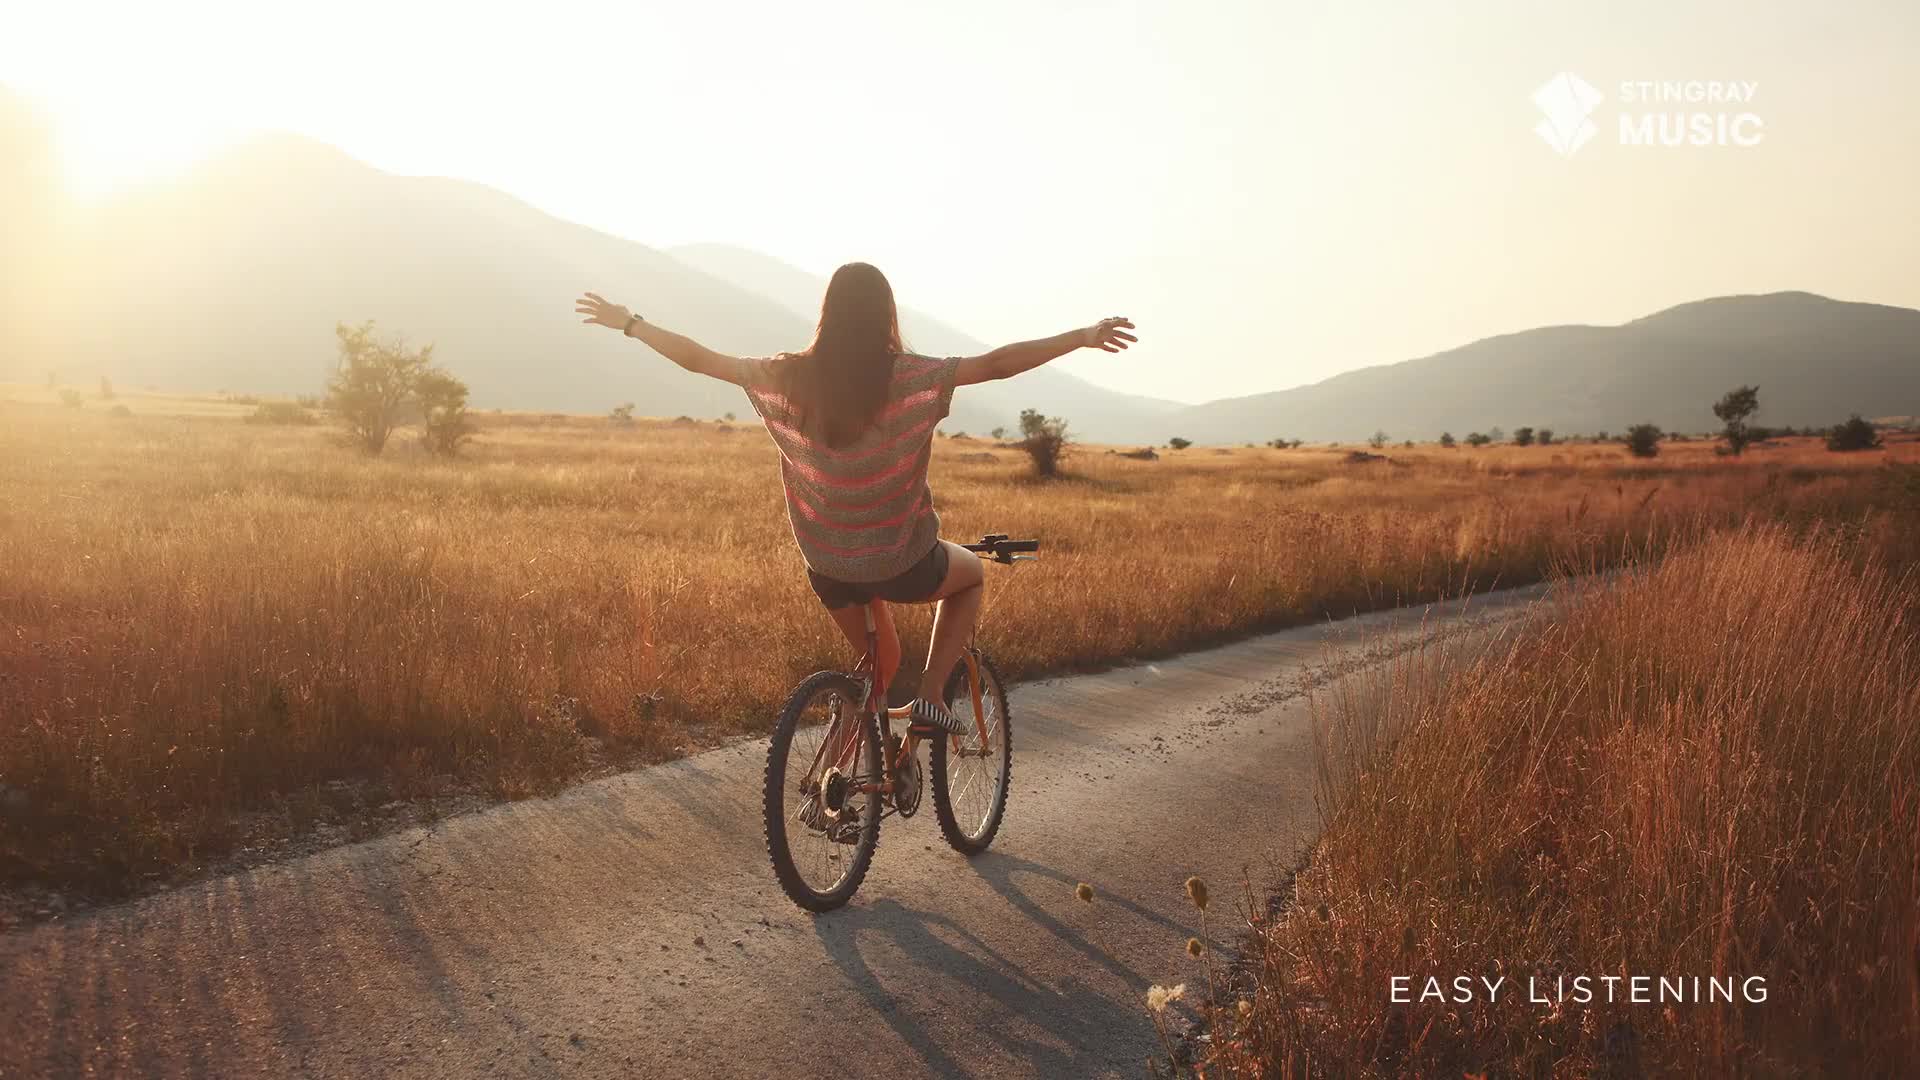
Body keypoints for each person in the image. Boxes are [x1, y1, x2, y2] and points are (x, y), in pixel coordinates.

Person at [575, 263, 1135, 733]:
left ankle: (836, 779)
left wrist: (631, 323)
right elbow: (998, 364)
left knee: (878, 663)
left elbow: (700, 358)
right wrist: (1080, 336)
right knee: (971, 577)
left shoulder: (787, 377)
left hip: (828, 565)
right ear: (885, 315)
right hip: (903, 562)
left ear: (828, 314)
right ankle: (934, 699)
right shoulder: (914, 377)